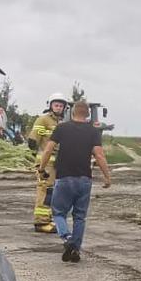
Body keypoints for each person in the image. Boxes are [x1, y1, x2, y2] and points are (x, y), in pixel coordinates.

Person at [37, 99, 111, 262]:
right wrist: (107, 176)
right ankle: (75, 250)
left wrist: (41, 168)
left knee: (58, 213)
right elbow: (99, 155)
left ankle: (67, 238)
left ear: (72, 112)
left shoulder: (62, 128)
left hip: (64, 178)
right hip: (84, 179)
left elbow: (48, 149)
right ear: (88, 114)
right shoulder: (93, 132)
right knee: (79, 217)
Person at [28, 95, 69, 234]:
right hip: (46, 162)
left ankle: (48, 217)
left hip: (59, 161)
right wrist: (34, 158)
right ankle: (41, 222)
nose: (58, 107)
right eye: (56, 105)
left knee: (54, 191)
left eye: (61, 105)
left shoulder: (62, 122)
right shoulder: (43, 119)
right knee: (45, 190)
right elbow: (33, 140)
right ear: (50, 105)